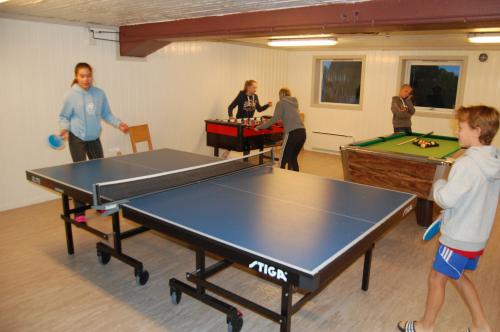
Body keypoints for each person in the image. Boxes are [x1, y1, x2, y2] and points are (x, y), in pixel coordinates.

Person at [398, 105, 500, 332]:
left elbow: (445, 200)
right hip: (477, 237)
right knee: (457, 275)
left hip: (458, 237)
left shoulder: (465, 164)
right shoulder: (494, 161)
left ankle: (426, 325)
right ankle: (481, 325)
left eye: (461, 127)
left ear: (477, 130)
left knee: (437, 278)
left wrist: (439, 183)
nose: (457, 132)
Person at [59, 62, 129, 223]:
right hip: (77, 138)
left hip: (94, 138)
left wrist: (119, 123)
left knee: (100, 173)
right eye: (82, 76)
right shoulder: (70, 95)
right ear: (76, 76)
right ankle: (78, 212)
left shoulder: (99, 94)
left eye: (89, 75)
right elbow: (64, 117)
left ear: (92, 76)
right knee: (80, 175)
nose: (86, 79)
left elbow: (107, 114)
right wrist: (64, 128)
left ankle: (101, 205)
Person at [255, 88, 306, 171]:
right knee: (293, 158)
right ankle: (296, 177)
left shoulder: (281, 103)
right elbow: (290, 123)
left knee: (282, 159)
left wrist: (259, 127)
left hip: (292, 134)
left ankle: (280, 177)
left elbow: (274, 119)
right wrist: (283, 139)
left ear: (281, 95)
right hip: (302, 133)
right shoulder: (294, 103)